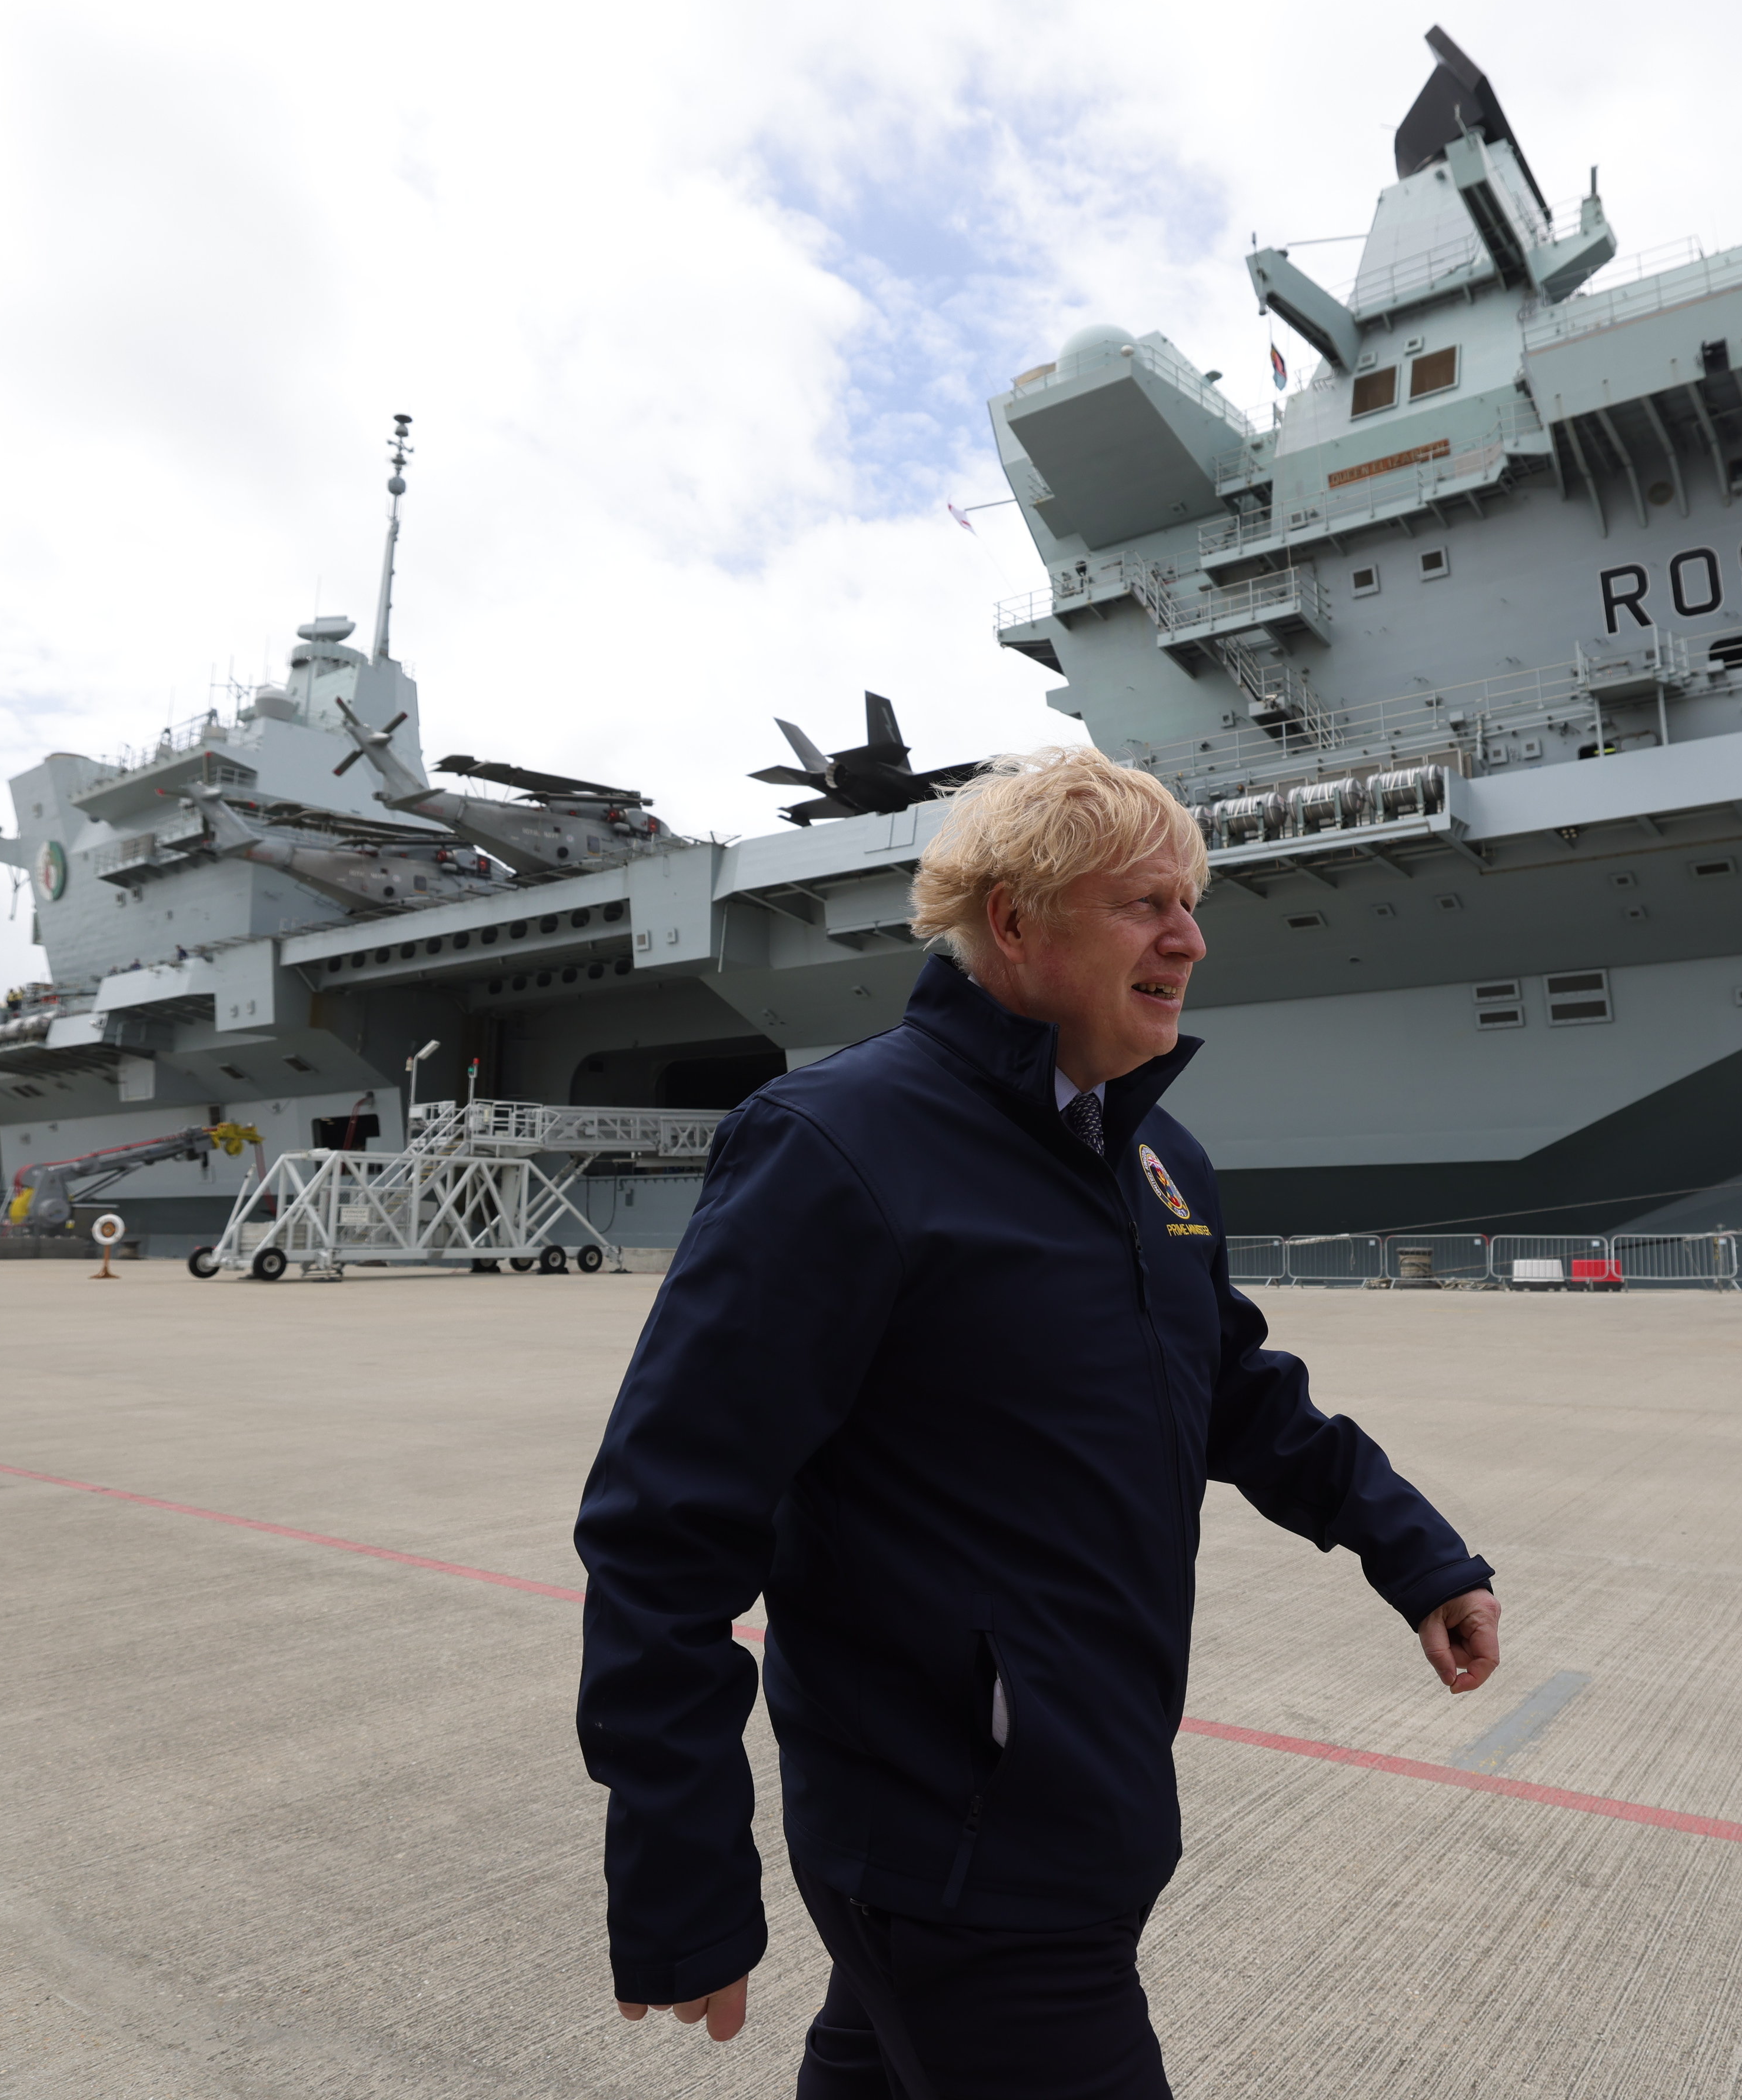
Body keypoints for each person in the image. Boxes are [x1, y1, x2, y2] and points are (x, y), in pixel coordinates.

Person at [574, 747, 1502, 2099]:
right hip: (953, 1846)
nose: (1188, 937)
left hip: (1080, 1795)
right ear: (1013, 921)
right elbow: (665, 1524)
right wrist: (679, 1877)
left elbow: (1233, 1385)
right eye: (1142, 903)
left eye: (1187, 902)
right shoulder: (837, 1146)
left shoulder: (1151, 1158)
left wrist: (1415, 1555)